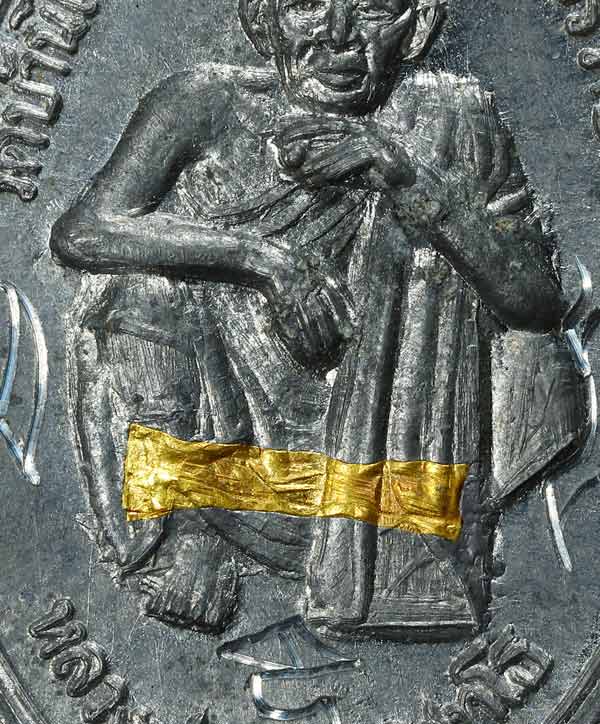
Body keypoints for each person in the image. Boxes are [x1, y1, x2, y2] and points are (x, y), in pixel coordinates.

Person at [50, 0, 584, 638]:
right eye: (307, 6)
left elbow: (537, 304)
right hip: (223, 414)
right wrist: (263, 261)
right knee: (135, 290)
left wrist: (407, 178)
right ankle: (191, 526)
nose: (337, 36)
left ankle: (399, 562)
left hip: (387, 457)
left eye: (371, 8)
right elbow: (83, 232)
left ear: (418, 27)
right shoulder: (206, 102)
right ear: (261, 20)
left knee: (431, 252)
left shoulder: (451, 117)